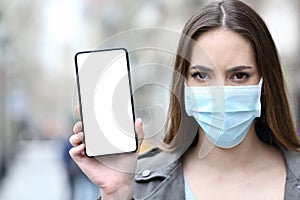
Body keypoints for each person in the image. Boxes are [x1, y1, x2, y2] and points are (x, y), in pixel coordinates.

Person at [69, 0, 300, 199]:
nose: (218, 93)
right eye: (202, 75)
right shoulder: (142, 184)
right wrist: (117, 195)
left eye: (239, 76)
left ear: (264, 84)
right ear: (184, 86)